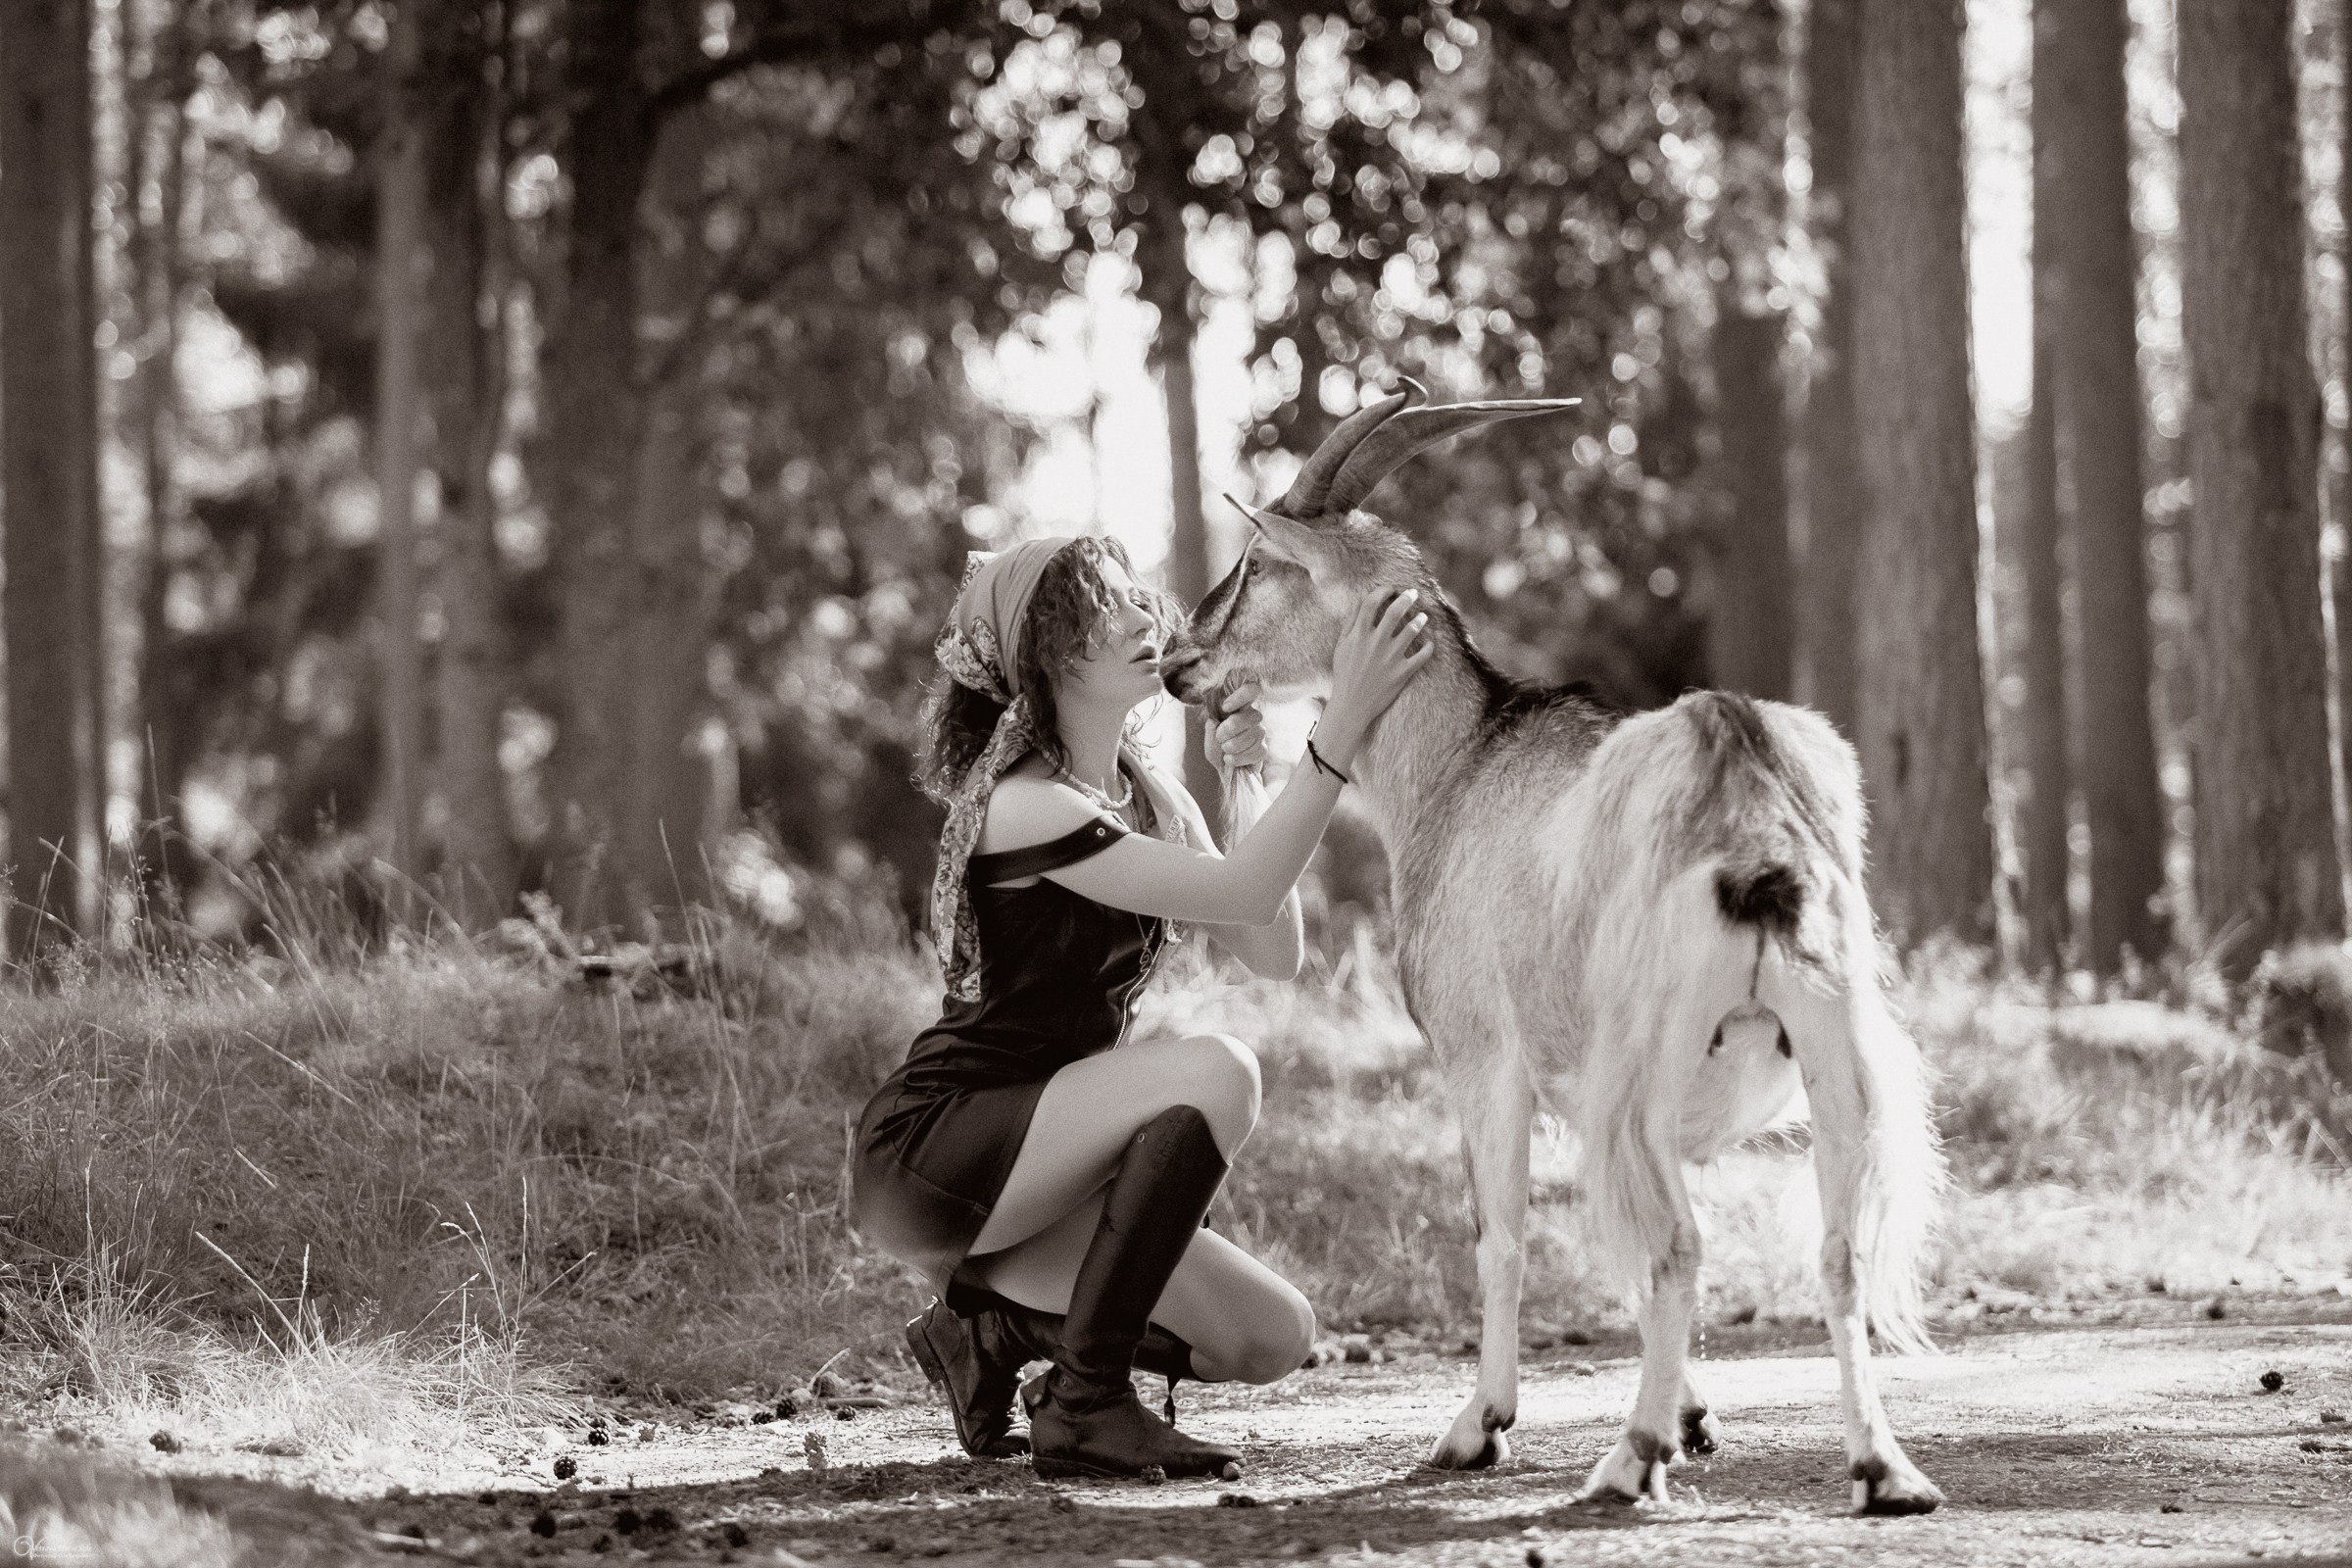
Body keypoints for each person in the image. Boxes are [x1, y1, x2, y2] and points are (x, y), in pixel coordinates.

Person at [850, 532, 1431, 1481]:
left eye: (1131, 595)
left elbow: (1270, 945)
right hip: (937, 1153)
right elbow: (1245, 894)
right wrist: (1345, 723)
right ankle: (1085, 1402)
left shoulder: (1144, 797)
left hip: (1047, 1168)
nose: (1141, 616)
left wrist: (1253, 777)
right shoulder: (1028, 807)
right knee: (1218, 1071)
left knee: (1270, 1335)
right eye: (1098, 610)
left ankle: (989, 1334)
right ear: (1046, 661)